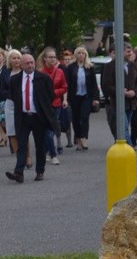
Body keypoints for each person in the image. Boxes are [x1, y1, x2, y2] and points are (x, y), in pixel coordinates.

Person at [5, 51, 55, 182]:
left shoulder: (43, 78)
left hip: (38, 117)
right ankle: (19, 173)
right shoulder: (15, 80)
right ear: (21, 65)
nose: (30, 65)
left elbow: (50, 96)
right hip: (23, 117)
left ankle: (40, 171)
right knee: (21, 145)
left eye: (32, 62)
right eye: (27, 63)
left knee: (40, 145)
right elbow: (15, 97)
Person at [101, 43, 137, 143]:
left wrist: (134, 92)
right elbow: (106, 85)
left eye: (130, 51)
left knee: (125, 127)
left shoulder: (132, 65)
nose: (129, 53)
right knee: (124, 127)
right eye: (127, 51)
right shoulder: (110, 66)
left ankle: (122, 147)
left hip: (130, 103)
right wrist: (118, 91)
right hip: (117, 103)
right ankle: (129, 149)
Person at [65, 45, 100, 149]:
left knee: (84, 117)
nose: (81, 55)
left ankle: (84, 138)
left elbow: (94, 84)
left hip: (86, 96)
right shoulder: (71, 67)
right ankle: (78, 138)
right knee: (75, 119)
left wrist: (95, 98)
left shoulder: (89, 67)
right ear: (76, 55)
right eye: (79, 53)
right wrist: (66, 98)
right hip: (74, 97)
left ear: (86, 55)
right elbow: (67, 83)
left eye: (83, 53)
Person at [39, 47, 67, 164]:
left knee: (50, 130)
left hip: (56, 104)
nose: (53, 59)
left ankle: (52, 154)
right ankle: (51, 153)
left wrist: (54, 93)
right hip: (44, 105)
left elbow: (65, 87)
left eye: (54, 57)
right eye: (50, 57)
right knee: (46, 130)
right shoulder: (40, 73)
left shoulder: (60, 72)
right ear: (45, 58)